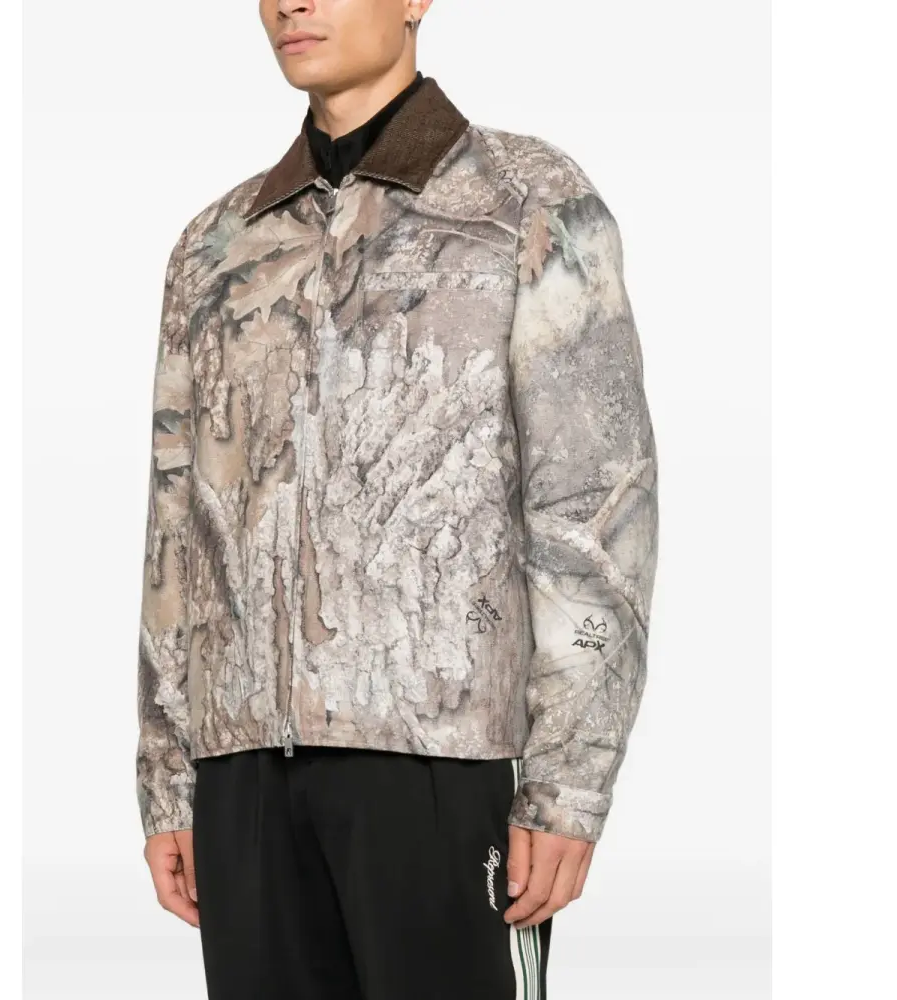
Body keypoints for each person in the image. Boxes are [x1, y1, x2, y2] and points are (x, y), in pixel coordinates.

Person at [135, 1, 659, 997]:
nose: (291, 2)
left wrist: (569, 782)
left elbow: (594, 503)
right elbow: (178, 527)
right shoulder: (216, 244)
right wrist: (169, 776)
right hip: (243, 775)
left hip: (445, 765)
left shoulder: (524, 201)